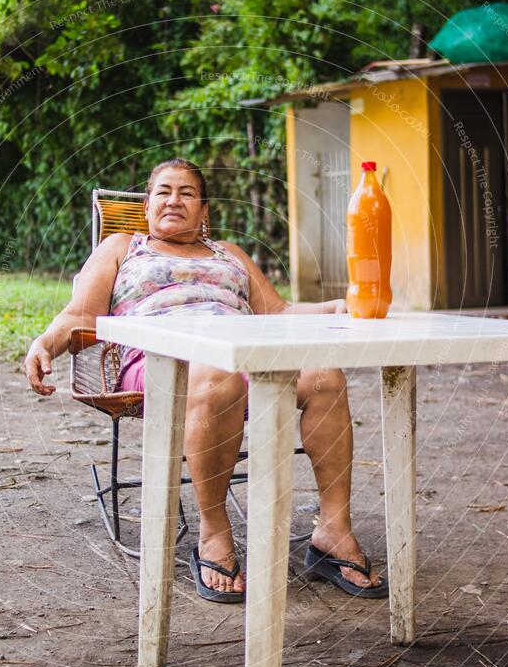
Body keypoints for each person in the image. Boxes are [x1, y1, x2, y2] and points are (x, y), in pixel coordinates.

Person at [25, 158, 388, 603]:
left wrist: (336, 307)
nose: (174, 199)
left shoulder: (229, 253)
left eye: (186, 193)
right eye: (163, 191)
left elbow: (278, 314)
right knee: (217, 374)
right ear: (147, 205)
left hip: (240, 359)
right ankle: (214, 532)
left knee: (324, 376)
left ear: (203, 210)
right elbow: (82, 313)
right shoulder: (123, 248)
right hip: (158, 367)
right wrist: (46, 341)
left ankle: (332, 532)